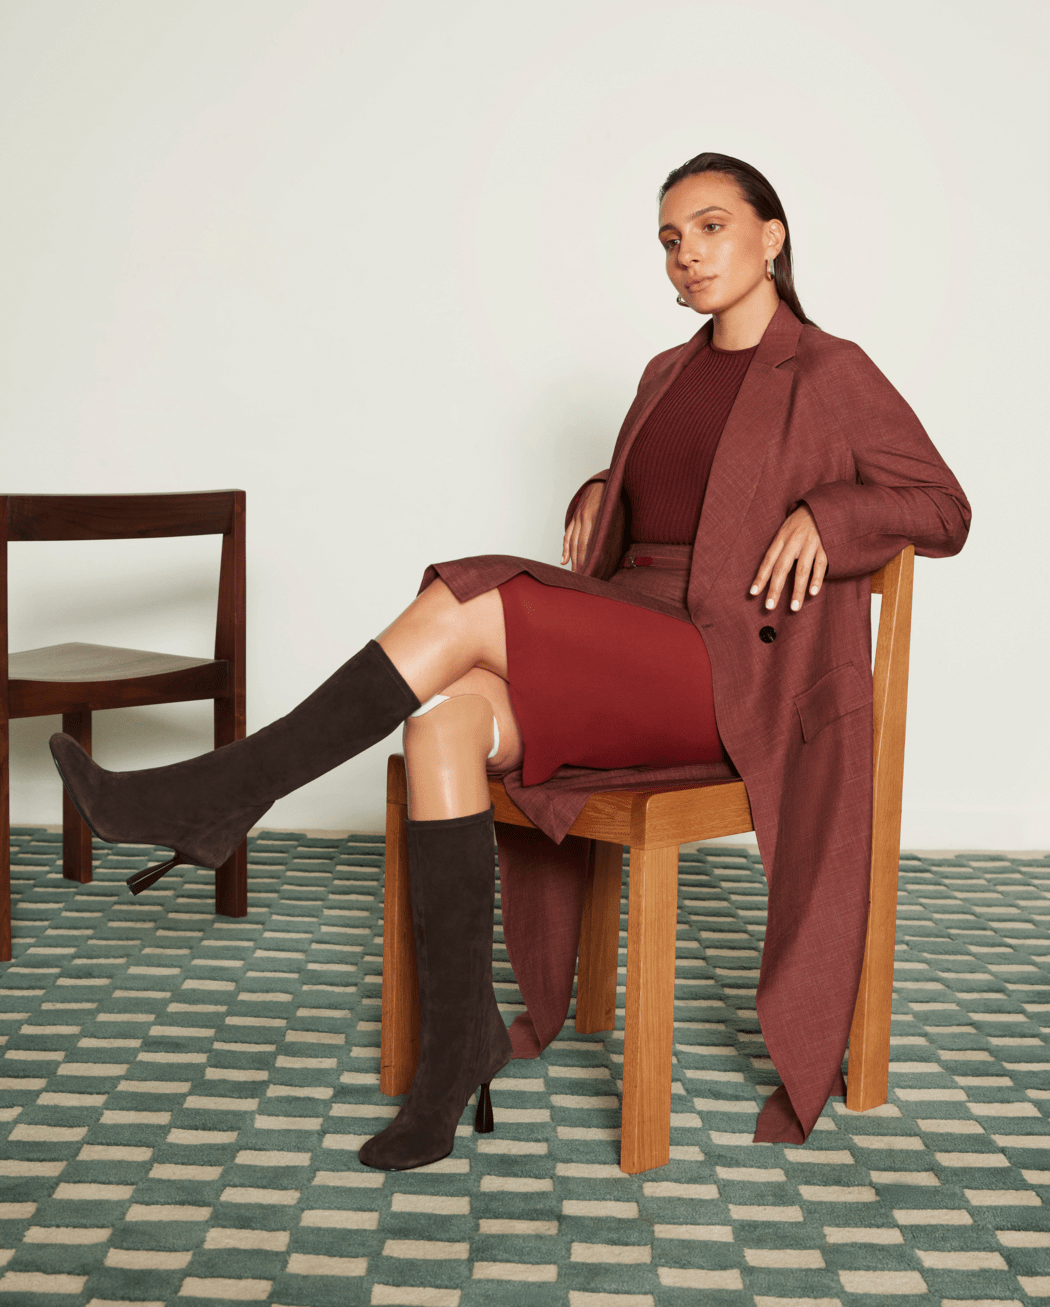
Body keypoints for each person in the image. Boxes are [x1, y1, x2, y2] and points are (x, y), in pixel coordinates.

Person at [49, 151, 971, 1168]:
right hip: (636, 642)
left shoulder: (830, 369)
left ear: (771, 235)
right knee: (441, 724)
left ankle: (220, 795)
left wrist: (829, 513)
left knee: (474, 590)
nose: (688, 255)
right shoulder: (666, 373)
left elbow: (943, 506)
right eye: (670, 238)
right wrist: (602, 491)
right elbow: (674, 514)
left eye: (710, 227)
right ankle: (456, 1056)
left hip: (723, 675)